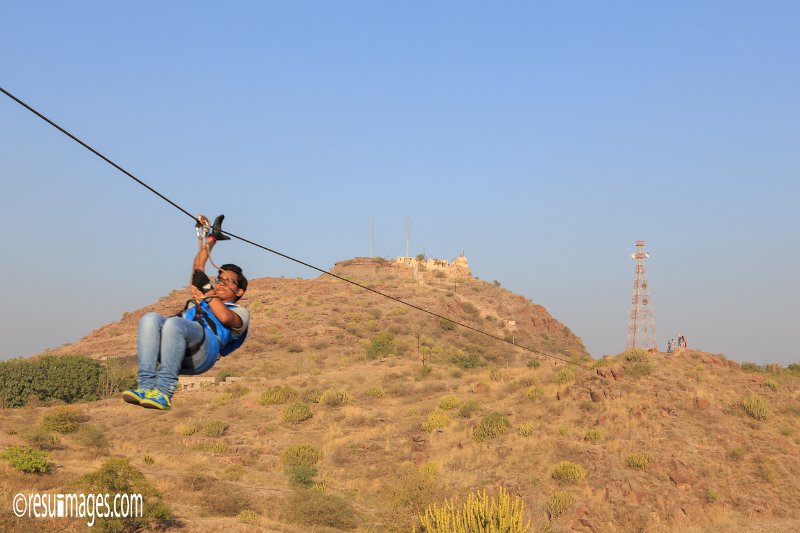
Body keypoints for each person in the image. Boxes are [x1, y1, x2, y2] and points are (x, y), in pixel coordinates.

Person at [122, 215, 250, 410]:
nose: (221, 283)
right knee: (149, 319)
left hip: (203, 354)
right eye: (219, 279)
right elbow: (198, 268)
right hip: (177, 352)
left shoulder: (240, 312)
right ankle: (145, 387)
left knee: (175, 324)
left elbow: (224, 317)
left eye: (227, 281)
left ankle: (164, 392)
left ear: (239, 291)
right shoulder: (203, 297)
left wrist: (207, 291)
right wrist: (211, 239)